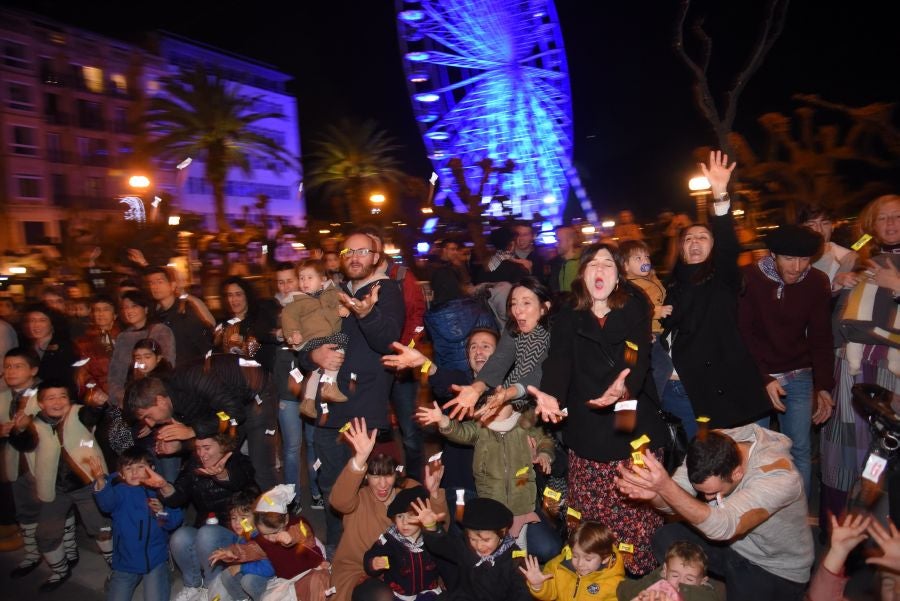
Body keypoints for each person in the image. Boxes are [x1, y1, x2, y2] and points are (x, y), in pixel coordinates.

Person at [528, 243, 668, 575]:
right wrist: (550, 395)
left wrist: (625, 383)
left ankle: (635, 573)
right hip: (587, 426)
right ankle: (593, 573)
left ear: (618, 275)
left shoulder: (634, 306)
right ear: (583, 275)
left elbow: (636, 351)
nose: (600, 270)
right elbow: (559, 361)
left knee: (635, 510)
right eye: (593, 264)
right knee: (592, 514)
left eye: (608, 264)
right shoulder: (567, 317)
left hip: (629, 419)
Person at [616, 426, 813, 601]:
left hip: (773, 566)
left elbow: (724, 527)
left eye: (713, 492)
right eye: (702, 492)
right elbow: (676, 498)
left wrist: (666, 488)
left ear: (737, 473)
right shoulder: (709, 446)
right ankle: (694, 588)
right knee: (665, 537)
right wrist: (655, 494)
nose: (708, 498)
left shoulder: (779, 477)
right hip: (731, 545)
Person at [297, 232, 405, 550]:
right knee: (332, 485)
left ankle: (373, 554)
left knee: (369, 487)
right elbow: (307, 338)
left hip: (364, 410)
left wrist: (365, 313)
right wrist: (312, 355)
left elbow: (387, 342)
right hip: (329, 411)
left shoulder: (386, 291)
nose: (355, 256)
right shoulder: (332, 292)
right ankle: (337, 554)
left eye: (363, 251)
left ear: (375, 257)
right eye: (349, 250)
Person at [659, 151, 770, 439]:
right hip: (689, 389)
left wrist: (719, 192)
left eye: (702, 237)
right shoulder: (673, 285)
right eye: (689, 239)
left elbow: (729, 248)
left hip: (728, 386)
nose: (694, 242)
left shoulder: (721, 277)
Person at [737, 224, 835, 495]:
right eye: (789, 259)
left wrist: (824, 385)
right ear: (773, 255)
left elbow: (821, 336)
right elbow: (743, 335)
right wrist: (764, 377)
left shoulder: (817, 281)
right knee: (756, 449)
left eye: (804, 259)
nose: (797, 267)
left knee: (799, 447)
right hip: (757, 372)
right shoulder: (749, 278)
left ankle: (797, 513)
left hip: (797, 372)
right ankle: (759, 512)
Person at [822, 194, 900, 525]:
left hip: (893, 373)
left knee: (887, 445)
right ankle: (843, 525)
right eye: (883, 218)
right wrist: (837, 286)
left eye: (897, 216)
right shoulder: (858, 258)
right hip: (851, 368)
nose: (891, 224)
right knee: (847, 444)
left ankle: (880, 525)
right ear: (871, 225)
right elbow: (830, 319)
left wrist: (896, 284)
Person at [6, 380, 113, 591]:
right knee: (45, 533)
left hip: (88, 484)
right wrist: (18, 430)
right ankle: (60, 570)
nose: (57, 402)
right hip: (54, 488)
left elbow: (92, 415)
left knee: (101, 527)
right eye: (50, 398)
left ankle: (116, 567)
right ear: (41, 403)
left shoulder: (78, 413)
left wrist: (99, 405)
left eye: (62, 396)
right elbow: (24, 443)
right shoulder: (34, 424)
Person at [417, 392, 555, 554]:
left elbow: (544, 439)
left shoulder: (524, 423)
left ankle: (519, 573)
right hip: (491, 501)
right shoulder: (480, 427)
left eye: (499, 403)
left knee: (519, 545)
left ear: (513, 404)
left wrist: (544, 453)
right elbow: (460, 432)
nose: (494, 408)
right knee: (494, 546)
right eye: (489, 404)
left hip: (521, 500)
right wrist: (443, 420)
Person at [329, 417, 448, 601]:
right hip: (362, 572)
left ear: (397, 472)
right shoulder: (358, 496)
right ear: (366, 475)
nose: (382, 484)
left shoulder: (410, 489)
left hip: (410, 575)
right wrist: (359, 459)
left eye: (388, 475)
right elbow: (338, 502)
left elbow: (441, 531)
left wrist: (434, 495)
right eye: (375, 475)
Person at [141, 432, 259, 601]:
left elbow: (242, 480)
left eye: (207, 448)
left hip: (240, 533)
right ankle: (194, 586)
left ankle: (212, 587)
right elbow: (178, 497)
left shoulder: (238, 461)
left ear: (223, 446)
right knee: (180, 537)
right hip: (208, 528)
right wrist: (164, 485)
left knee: (207, 533)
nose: (201, 453)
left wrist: (222, 475)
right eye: (198, 448)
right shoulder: (194, 466)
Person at [442, 277, 552, 422]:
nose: (517, 310)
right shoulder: (514, 329)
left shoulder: (556, 334)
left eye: (526, 303)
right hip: (518, 404)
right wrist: (478, 387)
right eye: (514, 303)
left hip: (550, 407)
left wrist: (508, 394)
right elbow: (500, 359)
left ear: (544, 308)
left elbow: (539, 372)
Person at [91, 446, 184, 601]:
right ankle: (116, 576)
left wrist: (161, 512)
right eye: (128, 468)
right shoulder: (119, 491)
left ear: (152, 468)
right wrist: (101, 480)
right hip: (125, 562)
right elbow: (106, 504)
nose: (134, 473)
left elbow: (173, 522)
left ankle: (165, 574)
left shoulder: (161, 490)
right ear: (121, 473)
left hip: (155, 560)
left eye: (140, 467)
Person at [270, 262, 323, 507]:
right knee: (292, 447)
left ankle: (316, 490)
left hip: (312, 387)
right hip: (286, 390)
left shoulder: (316, 303)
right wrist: (275, 335)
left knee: (314, 442)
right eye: (280, 282)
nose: (285, 286)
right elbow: (258, 348)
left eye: (289, 280)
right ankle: (292, 498)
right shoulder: (270, 310)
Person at [413, 495, 532, 601]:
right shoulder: (465, 545)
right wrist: (430, 526)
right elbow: (442, 545)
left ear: (502, 533)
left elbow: (520, 592)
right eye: (473, 539)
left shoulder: (515, 557)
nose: (479, 546)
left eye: (486, 540)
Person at [281, 258, 350, 405]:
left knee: (316, 371)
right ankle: (330, 385)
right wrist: (293, 333)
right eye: (301, 278)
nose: (304, 282)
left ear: (322, 279)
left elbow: (341, 300)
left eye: (309, 278)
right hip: (312, 338)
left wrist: (343, 308)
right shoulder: (297, 300)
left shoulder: (331, 292)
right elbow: (289, 318)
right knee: (339, 347)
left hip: (326, 335)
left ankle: (309, 400)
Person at [363, 486, 444, 600]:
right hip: (400, 594)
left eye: (411, 516)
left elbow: (445, 553)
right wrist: (373, 563)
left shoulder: (430, 536)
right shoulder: (390, 540)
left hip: (428, 591)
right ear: (394, 519)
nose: (405, 522)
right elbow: (372, 554)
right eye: (400, 516)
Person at [619, 239, 673, 399]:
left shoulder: (649, 279)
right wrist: (656, 312)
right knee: (662, 366)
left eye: (647, 257)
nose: (645, 261)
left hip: (659, 331)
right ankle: (652, 399)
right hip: (650, 333)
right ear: (625, 266)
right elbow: (637, 308)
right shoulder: (630, 286)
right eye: (638, 258)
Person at [0, 348, 41, 556]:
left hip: (42, 461)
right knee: (25, 508)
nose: (11, 371)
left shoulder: (45, 394)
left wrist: (26, 427)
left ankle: (61, 556)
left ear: (33, 370)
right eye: (7, 366)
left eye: (18, 366)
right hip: (17, 463)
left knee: (50, 509)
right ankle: (32, 552)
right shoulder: (4, 397)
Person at [520, 520, 625, 601]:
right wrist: (538, 585)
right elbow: (550, 593)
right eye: (575, 556)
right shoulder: (558, 566)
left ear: (605, 558)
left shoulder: (613, 582)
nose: (579, 564)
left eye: (588, 559)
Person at [107, 290, 176, 407]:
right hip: (126, 399)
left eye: (134, 306)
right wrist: (121, 396)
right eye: (125, 308)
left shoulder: (160, 331)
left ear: (146, 309)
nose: (129, 311)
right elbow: (115, 373)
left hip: (153, 398)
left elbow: (167, 364)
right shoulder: (122, 337)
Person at [207, 491, 276, 601]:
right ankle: (243, 599)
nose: (237, 523)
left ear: (257, 517)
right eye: (234, 518)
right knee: (227, 575)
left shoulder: (262, 537)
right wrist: (228, 556)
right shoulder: (242, 535)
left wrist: (241, 567)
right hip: (251, 573)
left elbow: (270, 569)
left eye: (243, 518)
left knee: (248, 581)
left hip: (271, 578)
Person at [145, 265, 214, 365]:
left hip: (190, 370)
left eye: (160, 282)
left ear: (172, 285)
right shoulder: (154, 315)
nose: (155, 287)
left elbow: (203, 343)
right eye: (151, 283)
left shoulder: (185, 310)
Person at [616, 541, 721, 601]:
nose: (680, 582)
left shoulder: (706, 594)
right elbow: (621, 589)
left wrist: (681, 591)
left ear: (703, 581)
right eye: (675, 575)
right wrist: (654, 580)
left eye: (689, 579)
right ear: (665, 571)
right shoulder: (660, 578)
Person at [216, 276, 279, 373]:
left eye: (238, 294)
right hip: (231, 379)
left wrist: (243, 341)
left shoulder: (259, 320)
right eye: (230, 295)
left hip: (257, 378)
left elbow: (258, 356)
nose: (234, 299)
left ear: (247, 296)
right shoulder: (225, 324)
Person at [798, 203, 859, 292]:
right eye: (811, 225)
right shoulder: (791, 256)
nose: (819, 230)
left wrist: (836, 285)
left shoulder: (847, 258)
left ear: (832, 227)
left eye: (825, 223)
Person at [21, 303, 78, 397]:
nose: (36, 325)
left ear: (52, 324)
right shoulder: (25, 347)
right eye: (32, 320)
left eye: (42, 320)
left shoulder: (64, 348)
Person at [547, 225, 582, 297]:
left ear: (570, 241)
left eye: (559, 241)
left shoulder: (582, 263)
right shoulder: (556, 264)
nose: (556, 244)